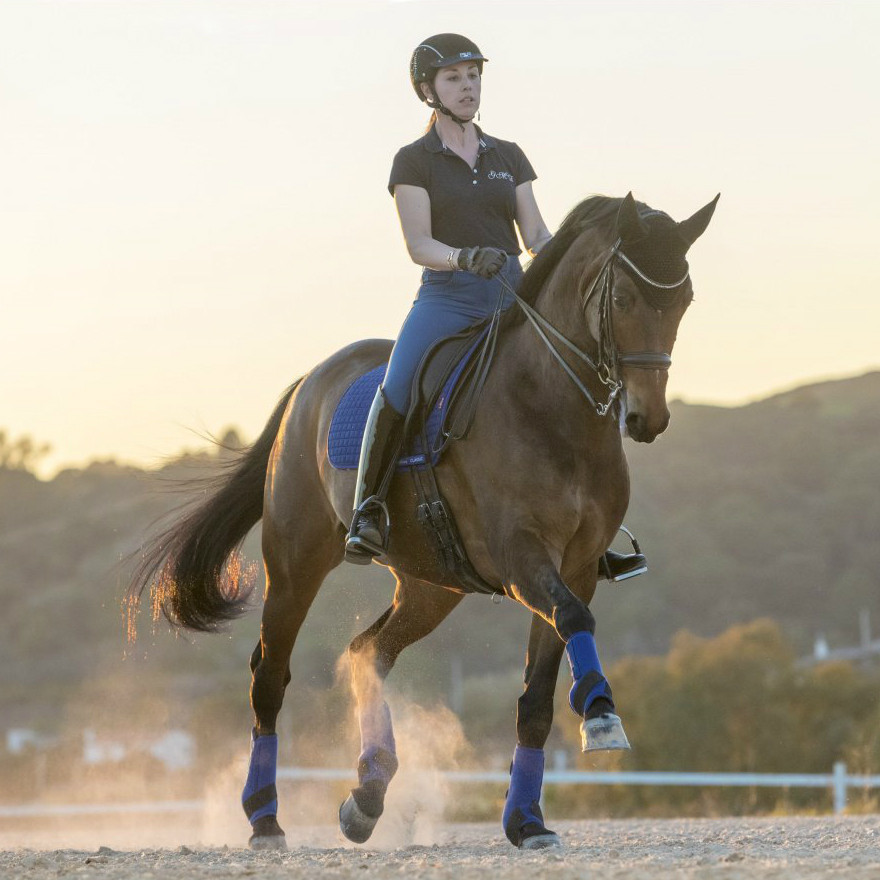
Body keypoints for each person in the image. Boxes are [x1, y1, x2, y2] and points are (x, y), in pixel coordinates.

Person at [344, 33, 646, 584]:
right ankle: (368, 510)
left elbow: (534, 232)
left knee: (575, 379)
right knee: (400, 384)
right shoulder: (414, 161)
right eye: (455, 78)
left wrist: (563, 265)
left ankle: (590, 534)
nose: (468, 87)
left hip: (512, 294)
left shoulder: (508, 155)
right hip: (449, 298)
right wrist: (462, 256)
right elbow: (418, 244)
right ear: (428, 89)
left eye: (474, 75)